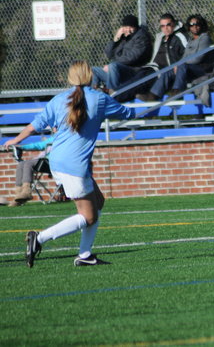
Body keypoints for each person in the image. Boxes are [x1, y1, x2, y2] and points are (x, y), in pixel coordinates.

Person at [4, 61, 135, 267]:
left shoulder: (58, 99)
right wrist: (112, 96)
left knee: (98, 201)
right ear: (91, 77)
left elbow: (34, 125)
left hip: (57, 160)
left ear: (70, 78)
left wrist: (15, 140)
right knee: (88, 217)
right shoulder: (99, 98)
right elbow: (128, 113)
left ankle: (85, 255)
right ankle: (39, 238)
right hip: (75, 165)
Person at [134, 13, 188, 102]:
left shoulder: (179, 36)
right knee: (140, 73)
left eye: (168, 25)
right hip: (163, 69)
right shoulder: (161, 38)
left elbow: (189, 53)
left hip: (180, 69)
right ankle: (150, 96)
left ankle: (173, 93)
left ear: (174, 24)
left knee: (164, 72)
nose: (165, 28)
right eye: (162, 26)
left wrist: (179, 64)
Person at [91, 15, 153, 92]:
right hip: (118, 70)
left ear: (136, 27)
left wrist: (111, 65)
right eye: (126, 27)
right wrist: (116, 38)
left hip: (134, 70)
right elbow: (109, 54)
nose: (128, 30)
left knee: (113, 66)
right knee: (93, 70)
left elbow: (131, 57)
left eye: (131, 27)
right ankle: (95, 93)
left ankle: (113, 93)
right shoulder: (123, 37)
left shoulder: (141, 37)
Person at [167, 14, 214, 95]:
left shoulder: (205, 38)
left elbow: (197, 58)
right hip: (191, 68)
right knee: (168, 71)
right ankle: (154, 95)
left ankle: (176, 92)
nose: (194, 27)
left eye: (197, 24)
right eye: (191, 25)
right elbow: (184, 56)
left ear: (201, 25)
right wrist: (177, 65)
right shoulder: (191, 40)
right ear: (189, 27)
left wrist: (181, 64)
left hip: (203, 70)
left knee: (182, 66)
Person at [5, 135, 55, 207]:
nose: (54, 129)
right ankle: (18, 195)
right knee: (21, 164)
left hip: (53, 163)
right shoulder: (54, 137)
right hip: (44, 161)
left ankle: (26, 191)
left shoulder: (61, 137)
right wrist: (21, 147)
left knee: (28, 164)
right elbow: (38, 145)